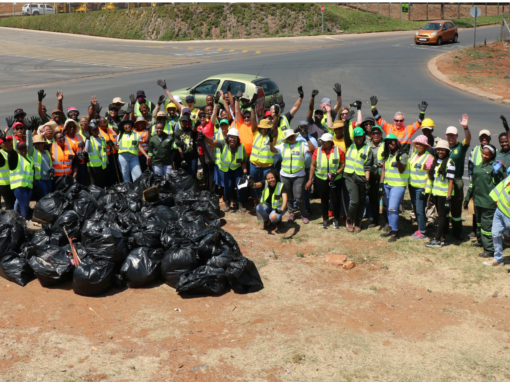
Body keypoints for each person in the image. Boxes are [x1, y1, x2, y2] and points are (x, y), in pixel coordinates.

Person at [464, 144, 505, 258]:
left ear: (492, 155)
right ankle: (480, 241)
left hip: (488, 202)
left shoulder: (494, 167)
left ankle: (490, 249)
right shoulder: (477, 167)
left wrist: (497, 173)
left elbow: (498, 183)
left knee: (487, 226)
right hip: (478, 200)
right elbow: (472, 184)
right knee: (478, 224)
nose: (484, 156)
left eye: (487, 154)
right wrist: (467, 198)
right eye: (483, 153)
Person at [271, 129, 315, 224]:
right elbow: (272, 149)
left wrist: (307, 138)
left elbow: (312, 149)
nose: (291, 138)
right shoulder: (283, 146)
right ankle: (291, 213)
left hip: (299, 175)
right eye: (289, 137)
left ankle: (303, 214)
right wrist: (271, 140)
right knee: (288, 196)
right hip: (285, 175)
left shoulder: (301, 145)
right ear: (286, 139)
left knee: (299, 197)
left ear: (295, 136)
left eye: (292, 136)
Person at [201, 128, 249, 212]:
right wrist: (204, 137)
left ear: (237, 139)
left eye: (235, 137)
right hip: (225, 169)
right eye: (230, 137)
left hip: (236, 168)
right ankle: (227, 203)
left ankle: (240, 203)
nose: (232, 139)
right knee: (228, 186)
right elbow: (213, 142)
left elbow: (244, 162)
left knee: (240, 185)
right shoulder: (223, 143)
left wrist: (245, 173)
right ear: (227, 138)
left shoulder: (241, 147)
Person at [306, 133, 345, 229]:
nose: (321, 143)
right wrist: (310, 179)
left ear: (329, 142)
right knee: (324, 200)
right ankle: (325, 219)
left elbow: (343, 164)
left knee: (336, 200)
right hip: (321, 179)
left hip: (335, 179)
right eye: (321, 141)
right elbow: (313, 165)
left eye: (323, 141)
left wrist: (337, 173)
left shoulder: (338, 151)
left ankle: (336, 219)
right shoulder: (317, 151)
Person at [424, 140, 456, 248]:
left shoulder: (450, 163)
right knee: (441, 216)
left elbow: (451, 182)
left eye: (443, 150)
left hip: (444, 195)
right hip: (436, 193)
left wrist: (448, 197)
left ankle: (437, 240)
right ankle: (442, 237)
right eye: (438, 149)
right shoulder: (436, 161)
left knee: (442, 217)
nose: (440, 152)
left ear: (447, 151)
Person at [444, 115, 471, 240]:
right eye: (449, 135)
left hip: (456, 181)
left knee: (456, 209)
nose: (451, 137)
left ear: (456, 136)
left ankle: (457, 231)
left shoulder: (461, 147)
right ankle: (443, 229)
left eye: (453, 135)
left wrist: (465, 127)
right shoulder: (442, 146)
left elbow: (468, 139)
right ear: (446, 136)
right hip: (443, 182)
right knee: (443, 207)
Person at [379, 134, 409, 242]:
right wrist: (381, 184)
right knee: (388, 208)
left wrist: (398, 160)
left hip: (398, 185)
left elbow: (401, 170)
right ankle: (391, 229)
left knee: (392, 208)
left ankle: (395, 232)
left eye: (392, 141)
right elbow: (384, 170)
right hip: (387, 184)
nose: (390, 144)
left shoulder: (403, 154)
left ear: (396, 142)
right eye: (387, 142)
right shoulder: (387, 154)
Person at [344, 127, 373, 232]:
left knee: (362, 202)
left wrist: (367, 180)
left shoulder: (367, 148)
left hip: (362, 178)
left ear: (363, 136)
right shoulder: (350, 145)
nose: (358, 138)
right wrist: (346, 123)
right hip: (350, 177)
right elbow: (346, 136)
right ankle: (349, 220)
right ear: (354, 138)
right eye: (356, 137)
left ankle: (358, 222)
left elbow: (368, 166)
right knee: (355, 201)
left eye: (360, 136)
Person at [408, 135, 434, 240]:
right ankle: (419, 228)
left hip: (421, 188)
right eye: (417, 144)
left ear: (425, 146)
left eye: (421, 144)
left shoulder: (429, 158)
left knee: (420, 209)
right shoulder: (415, 154)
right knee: (416, 208)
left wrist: (426, 189)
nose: (418, 146)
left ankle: (423, 231)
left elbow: (430, 175)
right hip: (412, 186)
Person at [2, 142, 34, 219]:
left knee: (22, 205)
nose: (23, 150)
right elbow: (10, 150)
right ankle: (24, 222)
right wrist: (4, 140)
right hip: (19, 186)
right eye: (21, 148)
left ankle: (16, 220)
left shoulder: (29, 158)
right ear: (17, 150)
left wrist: (34, 183)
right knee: (24, 206)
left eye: (24, 148)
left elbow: (32, 171)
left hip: (28, 185)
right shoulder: (16, 157)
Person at [249, 118, 277, 205]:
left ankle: (267, 201)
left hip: (267, 166)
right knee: (254, 183)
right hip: (254, 164)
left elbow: (275, 126)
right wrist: (253, 109)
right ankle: (256, 200)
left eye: (265, 128)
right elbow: (253, 123)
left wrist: (276, 115)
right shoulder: (256, 133)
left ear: (269, 128)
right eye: (262, 128)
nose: (264, 129)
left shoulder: (272, 136)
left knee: (267, 184)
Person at [488, 174, 510, 266]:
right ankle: (498, 259)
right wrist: (496, 199)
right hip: (500, 209)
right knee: (495, 233)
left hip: (508, 214)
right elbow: (502, 186)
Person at [367, 125, 385, 228]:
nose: (376, 135)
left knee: (384, 200)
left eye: (378, 133)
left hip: (383, 177)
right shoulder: (368, 145)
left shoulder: (384, 145)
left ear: (381, 134)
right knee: (373, 199)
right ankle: (375, 220)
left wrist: (380, 164)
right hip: (372, 177)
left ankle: (387, 222)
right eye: (373, 133)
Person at [84, 122, 108, 188]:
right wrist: (88, 139)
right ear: (90, 131)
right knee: (95, 184)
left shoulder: (102, 139)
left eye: (97, 129)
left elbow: (104, 151)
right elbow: (87, 150)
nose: (96, 131)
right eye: (94, 130)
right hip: (93, 165)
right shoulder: (89, 139)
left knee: (101, 183)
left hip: (103, 165)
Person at [97, 118, 119, 186]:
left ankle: (115, 184)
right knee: (107, 172)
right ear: (99, 124)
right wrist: (106, 142)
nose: (106, 123)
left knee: (115, 171)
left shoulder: (111, 129)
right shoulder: (98, 131)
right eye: (103, 122)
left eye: (106, 122)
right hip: (105, 156)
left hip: (114, 154)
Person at [63, 119, 86, 185]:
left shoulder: (79, 136)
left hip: (81, 161)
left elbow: (83, 146)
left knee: (81, 180)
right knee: (72, 180)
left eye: (73, 127)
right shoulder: (63, 138)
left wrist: (83, 153)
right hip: (70, 163)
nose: (72, 128)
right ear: (66, 128)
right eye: (70, 127)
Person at [31, 134, 54, 200]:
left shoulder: (46, 152)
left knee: (48, 195)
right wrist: (29, 131)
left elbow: (50, 164)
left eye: (42, 143)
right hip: (40, 179)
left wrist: (51, 170)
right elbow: (29, 144)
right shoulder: (33, 152)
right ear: (34, 144)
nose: (40, 145)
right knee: (43, 196)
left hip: (48, 178)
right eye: (38, 143)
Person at [0, 136, 16, 210]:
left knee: (12, 203)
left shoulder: (9, 153)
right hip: (4, 184)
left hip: (12, 183)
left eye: (9, 142)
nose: (7, 144)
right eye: (4, 142)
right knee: (9, 205)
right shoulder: (1, 153)